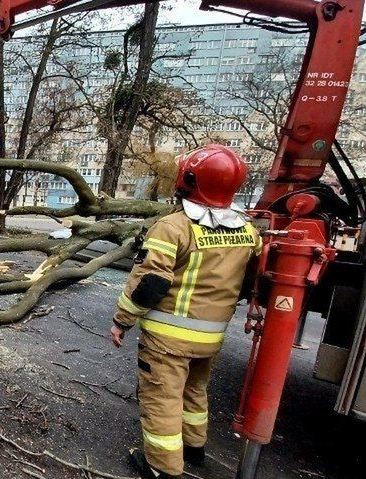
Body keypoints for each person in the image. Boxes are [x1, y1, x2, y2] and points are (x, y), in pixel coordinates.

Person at [109, 145, 261, 479]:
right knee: (194, 391)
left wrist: (122, 320)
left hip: (169, 340)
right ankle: (194, 448)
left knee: (162, 398)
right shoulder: (248, 231)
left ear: (188, 180)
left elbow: (150, 283)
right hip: (211, 337)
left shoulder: (174, 226)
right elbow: (251, 279)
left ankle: (162, 467)